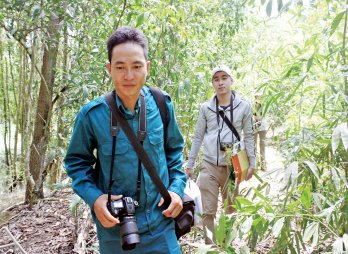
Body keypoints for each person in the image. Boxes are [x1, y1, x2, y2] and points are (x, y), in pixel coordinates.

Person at [64, 26, 187, 254]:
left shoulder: (161, 104)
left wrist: (177, 190)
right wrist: (96, 198)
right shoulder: (92, 115)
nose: (129, 75)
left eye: (136, 66)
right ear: (109, 69)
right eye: (120, 67)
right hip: (116, 230)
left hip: (161, 226)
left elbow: (174, 153)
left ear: (147, 68)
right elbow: (76, 164)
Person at [185, 65, 255, 244]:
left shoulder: (244, 107)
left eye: (224, 78)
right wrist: (191, 163)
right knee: (208, 211)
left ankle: (226, 244)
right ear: (212, 83)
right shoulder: (206, 108)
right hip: (208, 164)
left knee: (230, 209)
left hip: (232, 166)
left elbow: (249, 136)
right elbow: (199, 135)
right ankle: (211, 247)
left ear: (231, 80)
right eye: (216, 79)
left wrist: (252, 163)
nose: (220, 82)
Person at [253, 94, 268, 171]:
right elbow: (255, 117)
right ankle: (255, 165)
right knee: (254, 145)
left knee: (262, 145)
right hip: (255, 127)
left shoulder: (264, 105)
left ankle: (262, 164)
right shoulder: (254, 105)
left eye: (259, 97)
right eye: (256, 97)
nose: (258, 98)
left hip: (262, 127)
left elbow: (259, 117)